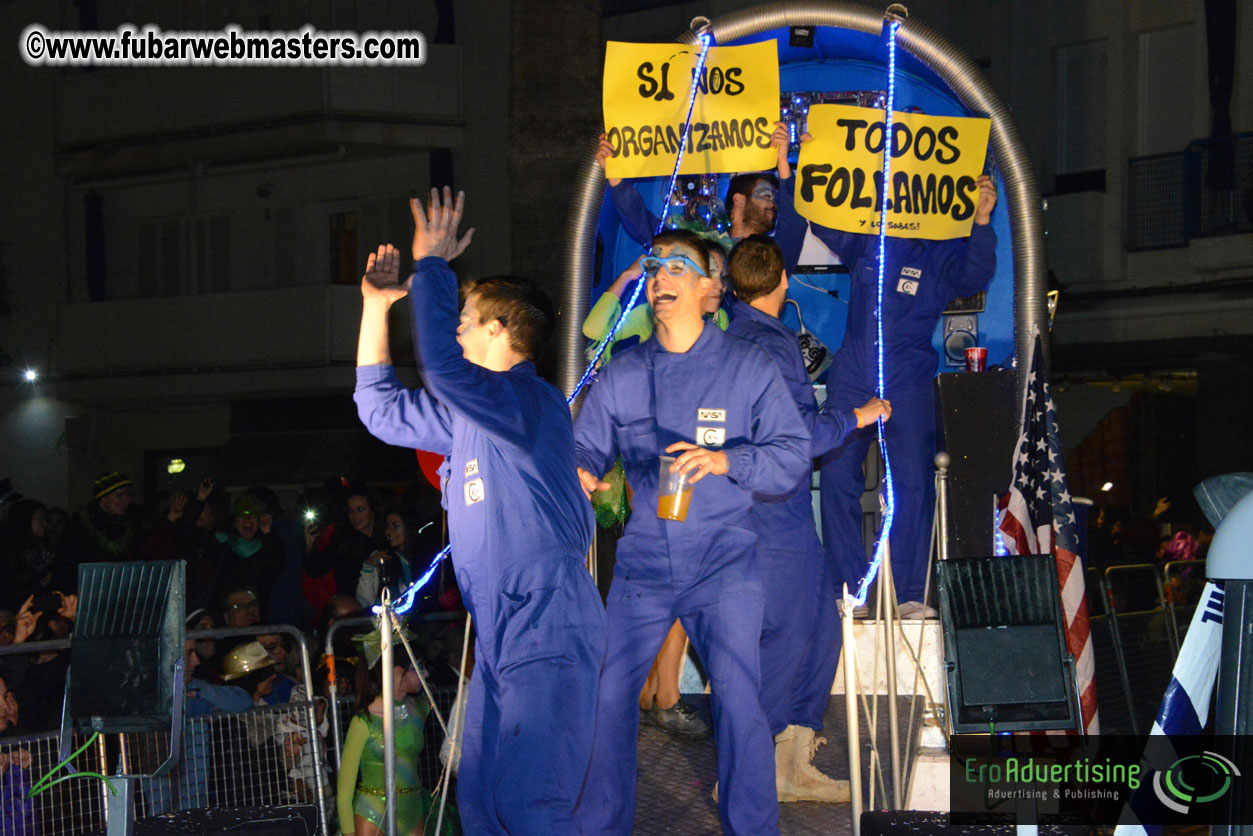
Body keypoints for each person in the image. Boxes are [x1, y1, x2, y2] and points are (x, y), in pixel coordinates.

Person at [353, 187, 605, 835]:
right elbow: (379, 411)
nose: (455, 325)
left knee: (532, 805)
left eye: (465, 315)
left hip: (547, 629)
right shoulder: (471, 417)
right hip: (499, 637)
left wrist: (432, 267)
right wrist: (376, 307)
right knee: (482, 806)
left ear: (500, 328)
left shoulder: (528, 404)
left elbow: (439, 366)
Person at [573, 229, 811, 836]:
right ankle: (602, 827)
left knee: (739, 705)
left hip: (724, 562)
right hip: (643, 565)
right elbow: (585, 450)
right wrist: (579, 474)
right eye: (654, 267)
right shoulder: (621, 374)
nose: (660, 277)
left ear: (711, 288)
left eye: (677, 266)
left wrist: (728, 460)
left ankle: (752, 829)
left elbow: (791, 454)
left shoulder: (748, 365)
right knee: (606, 700)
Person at [773, 130, 998, 618]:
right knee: (835, 476)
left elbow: (975, 275)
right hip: (854, 366)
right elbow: (820, 216)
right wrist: (791, 168)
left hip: (908, 369)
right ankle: (845, 589)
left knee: (912, 483)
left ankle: (912, 594)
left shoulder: (942, 249)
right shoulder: (869, 234)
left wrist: (981, 219)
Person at [725, 235, 891, 801]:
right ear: (783, 284)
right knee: (789, 638)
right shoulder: (767, 349)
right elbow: (797, 438)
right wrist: (857, 417)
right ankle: (748, 773)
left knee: (820, 623)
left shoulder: (753, 335)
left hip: (781, 510)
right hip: (770, 513)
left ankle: (790, 764)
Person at [337, 631, 447, 836]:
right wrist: (348, 832)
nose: (426, 674)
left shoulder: (422, 710)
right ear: (397, 672)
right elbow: (344, 790)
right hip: (371, 813)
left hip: (412, 810)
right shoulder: (364, 721)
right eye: (418, 668)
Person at [54, 471, 142, 591]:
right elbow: (66, 568)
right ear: (103, 498)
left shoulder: (130, 524)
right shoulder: (80, 527)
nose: (126, 501)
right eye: (119, 495)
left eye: (128, 495)